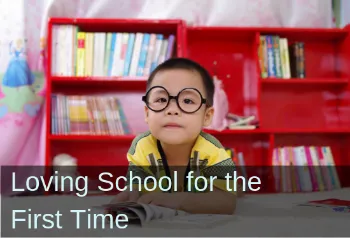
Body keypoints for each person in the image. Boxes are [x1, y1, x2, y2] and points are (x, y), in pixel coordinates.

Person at [110, 57, 238, 215]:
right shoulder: (142, 146)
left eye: (188, 101)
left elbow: (227, 202)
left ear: (207, 116)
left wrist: (176, 200)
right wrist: (129, 196)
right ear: (147, 113)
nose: (172, 110)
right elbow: (136, 187)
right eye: (161, 99)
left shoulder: (212, 150)